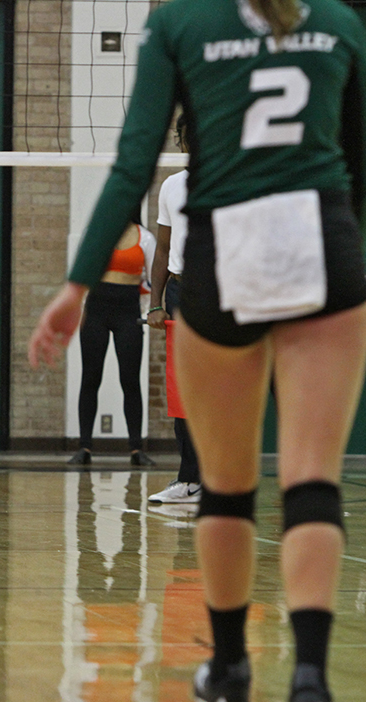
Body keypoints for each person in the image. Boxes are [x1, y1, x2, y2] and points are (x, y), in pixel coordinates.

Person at [28, 0, 366, 702]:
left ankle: (230, 673)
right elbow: (362, 171)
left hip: (227, 252)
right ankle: (311, 688)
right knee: (314, 477)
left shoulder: (181, 22)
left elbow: (132, 165)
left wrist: (76, 284)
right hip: (325, 243)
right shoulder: (340, 22)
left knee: (226, 484)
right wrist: (342, 253)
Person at [67, 218, 156, 467]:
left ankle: (136, 449)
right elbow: (82, 268)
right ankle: (84, 446)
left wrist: (146, 309)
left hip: (128, 313)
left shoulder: (145, 238)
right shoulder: (96, 229)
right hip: (96, 311)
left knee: (130, 379)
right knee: (90, 377)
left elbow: (152, 279)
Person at [147, 115, 202, 502]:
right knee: (182, 388)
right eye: (188, 137)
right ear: (180, 142)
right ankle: (189, 479)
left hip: (220, 295)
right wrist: (154, 302)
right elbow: (163, 249)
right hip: (180, 295)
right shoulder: (171, 186)